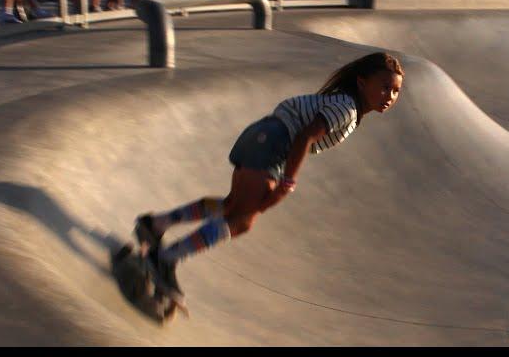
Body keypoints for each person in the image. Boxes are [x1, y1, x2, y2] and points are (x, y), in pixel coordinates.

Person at [134, 52, 405, 295]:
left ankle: (155, 225)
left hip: (265, 135)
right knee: (242, 220)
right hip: (275, 142)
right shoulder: (346, 108)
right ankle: (166, 258)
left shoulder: (346, 106)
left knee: (232, 207)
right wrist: (287, 183)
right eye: (384, 88)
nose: (389, 97)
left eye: (395, 92)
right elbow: (305, 137)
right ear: (361, 82)